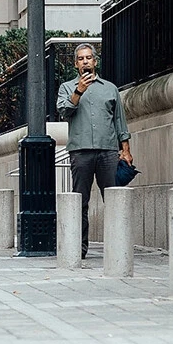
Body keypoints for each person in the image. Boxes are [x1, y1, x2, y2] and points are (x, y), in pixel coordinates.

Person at [57, 43, 132, 259]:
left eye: (89, 58)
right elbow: (64, 111)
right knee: (80, 199)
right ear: (75, 64)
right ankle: (79, 248)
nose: (85, 61)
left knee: (114, 198)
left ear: (95, 61)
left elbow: (120, 121)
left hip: (108, 150)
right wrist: (79, 91)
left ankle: (118, 245)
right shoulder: (66, 87)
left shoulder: (110, 88)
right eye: (80, 59)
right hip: (80, 152)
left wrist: (125, 149)